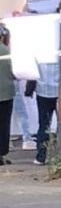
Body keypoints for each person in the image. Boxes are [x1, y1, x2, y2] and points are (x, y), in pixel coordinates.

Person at [28, 60, 59, 165]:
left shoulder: (40, 54)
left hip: (42, 92)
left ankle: (41, 156)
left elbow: (32, 72)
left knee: (43, 125)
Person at [0, 25, 13, 166]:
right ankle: (1, 154)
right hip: (6, 93)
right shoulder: (6, 51)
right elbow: (14, 72)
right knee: (4, 125)